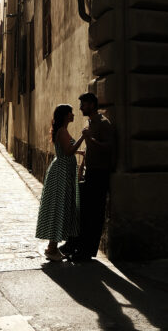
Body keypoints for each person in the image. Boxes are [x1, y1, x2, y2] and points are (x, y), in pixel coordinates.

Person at [61, 92, 115, 261]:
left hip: (100, 173)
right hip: (89, 172)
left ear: (91, 104)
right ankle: (73, 246)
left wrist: (90, 139)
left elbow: (109, 147)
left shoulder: (104, 123)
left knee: (94, 215)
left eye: (83, 104)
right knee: (82, 212)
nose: (80, 108)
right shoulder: (89, 122)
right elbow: (89, 148)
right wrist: (82, 166)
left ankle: (86, 252)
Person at [35, 104, 86, 261]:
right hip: (61, 174)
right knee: (59, 207)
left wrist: (79, 151)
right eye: (71, 113)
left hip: (63, 172)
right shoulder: (62, 131)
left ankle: (52, 247)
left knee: (60, 207)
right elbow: (68, 151)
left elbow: (66, 148)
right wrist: (83, 137)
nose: (73, 115)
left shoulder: (62, 130)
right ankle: (52, 249)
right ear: (65, 115)